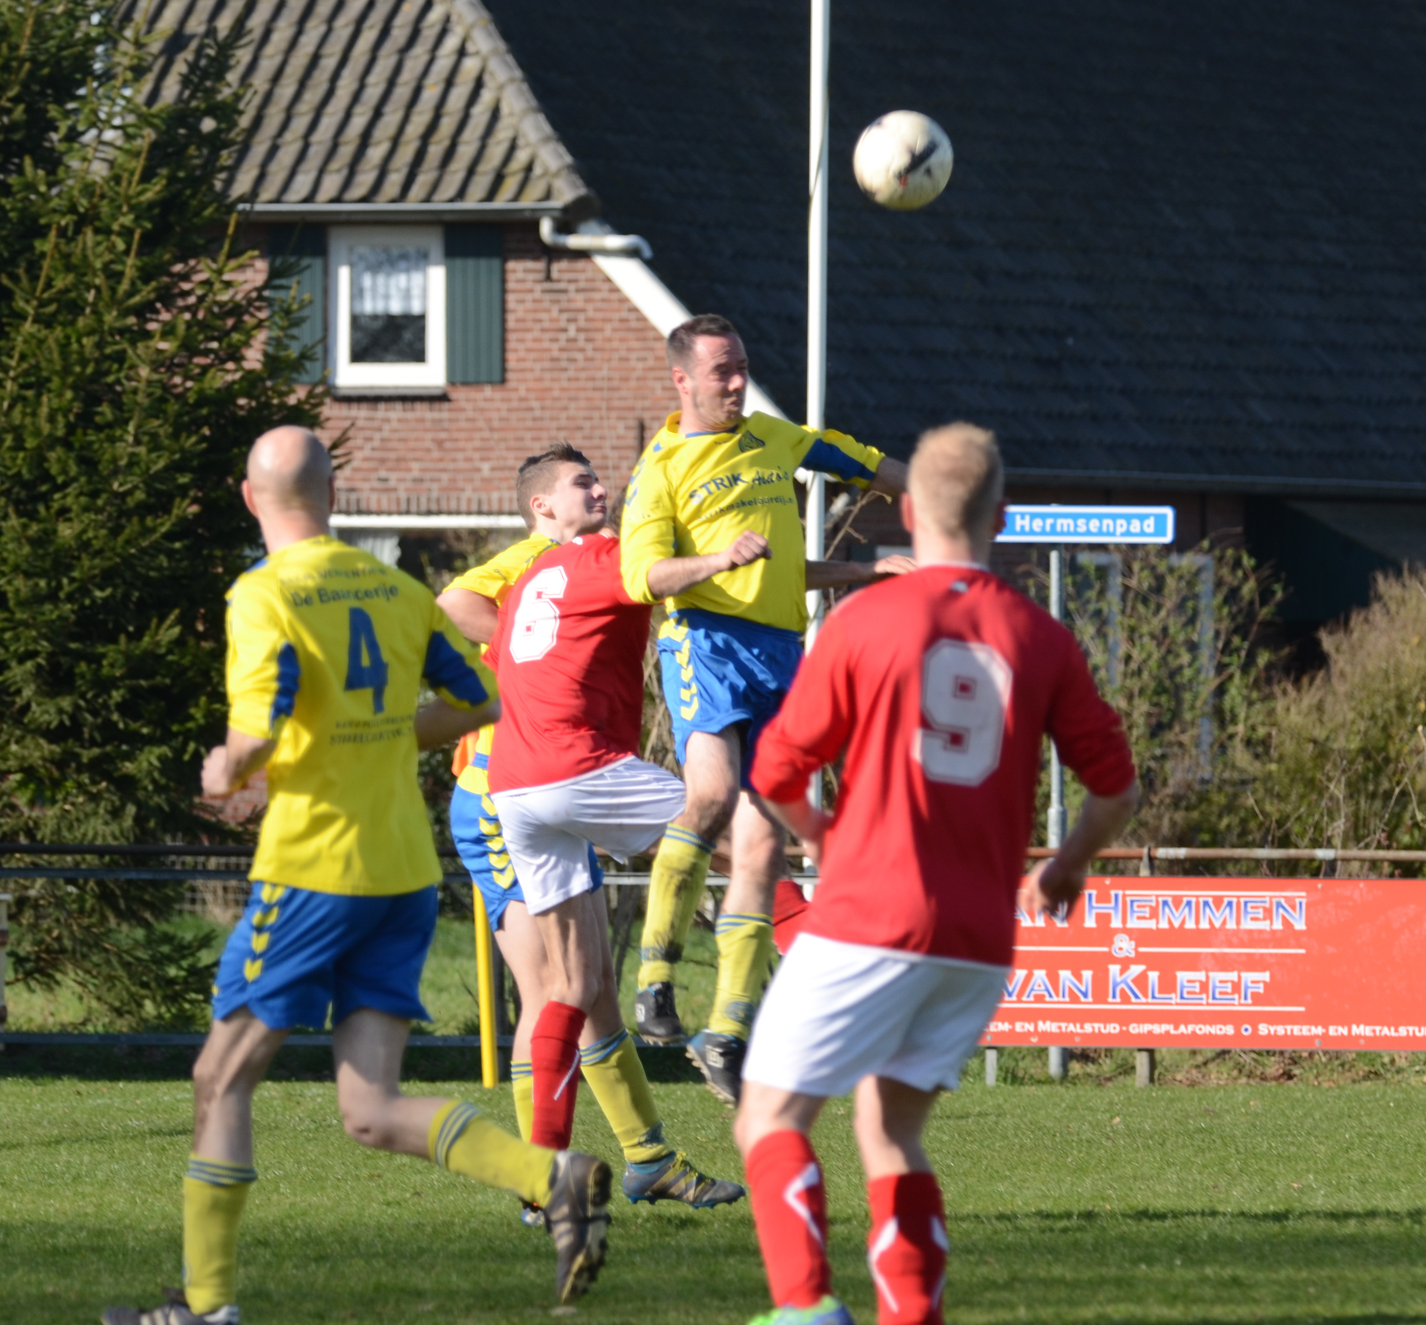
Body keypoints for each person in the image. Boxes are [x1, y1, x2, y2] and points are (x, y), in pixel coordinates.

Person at [104, 428, 610, 1325]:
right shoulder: (396, 589)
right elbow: (479, 699)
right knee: (370, 1108)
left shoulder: (266, 593)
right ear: (333, 493)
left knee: (220, 1076)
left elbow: (254, 732)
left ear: (250, 498)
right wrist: (373, 737)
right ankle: (551, 1175)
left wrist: (225, 771)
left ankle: (208, 1306)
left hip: (313, 869)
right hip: (403, 876)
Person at [735, 423, 1140, 1325]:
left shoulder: (865, 618)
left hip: (870, 912)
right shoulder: (1040, 635)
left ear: (910, 512)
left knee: (768, 1117)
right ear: (1001, 516)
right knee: (891, 1130)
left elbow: (775, 771)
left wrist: (821, 834)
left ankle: (805, 1307)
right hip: (976, 938)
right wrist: (1066, 866)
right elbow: (1117, 789)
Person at [619, 312, 912, 1105]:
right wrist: (718, 557)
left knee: (760, 849)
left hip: (780, 654)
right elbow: (641, 577)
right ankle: (655, 973)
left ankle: (726, 1030)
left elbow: (869, 465)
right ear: (682, 380)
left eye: (742, 366)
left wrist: (908, 531)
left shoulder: (775, 440)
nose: (738, 381)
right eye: (723, 370)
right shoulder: (661, 468)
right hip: (705, 643)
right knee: (711, 795)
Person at [440, 445, 742, 1212]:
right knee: (552, 990)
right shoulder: (543, 557)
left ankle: (647, 1158)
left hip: (543, 781)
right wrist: (519, 673)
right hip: (503, 788)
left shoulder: (577, 563)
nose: (602, 490)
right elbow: (452, 602)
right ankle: (539, 1181)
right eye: (584, 482)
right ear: (543, 504)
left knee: (586, 988)